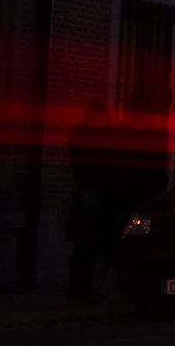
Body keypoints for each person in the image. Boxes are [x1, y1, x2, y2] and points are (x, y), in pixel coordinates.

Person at [66, 102, 123, 301]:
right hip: (92, 195)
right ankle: (82, 289)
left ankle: (82, 288)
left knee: (88, 245)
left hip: (92, 194)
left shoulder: (85, 137)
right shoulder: (89, 138)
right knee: (88, 245)